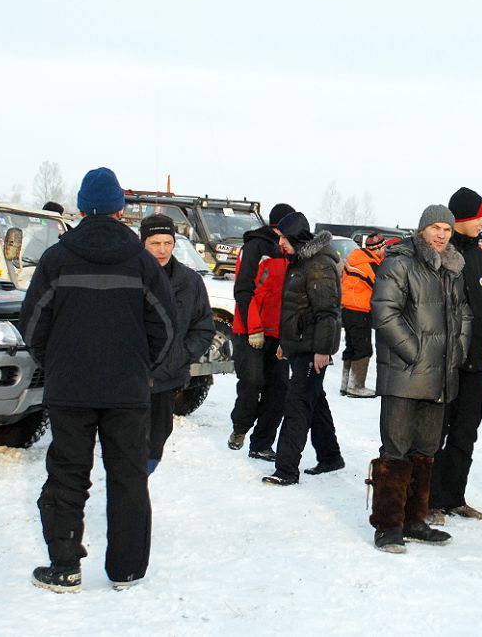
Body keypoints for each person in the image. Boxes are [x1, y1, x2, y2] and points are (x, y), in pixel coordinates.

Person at [19, 167, 176, 592]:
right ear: (120, 209)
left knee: (68, 473)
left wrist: (55, 363)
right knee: (128, 476)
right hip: (127, 390)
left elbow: (32, 323)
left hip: (70, 388)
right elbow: (165, 325)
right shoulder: (142, 261)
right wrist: (142, 366)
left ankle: (65, 566)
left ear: (82, 208)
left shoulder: (56, 258)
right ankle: (127, 570)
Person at [367, 205, 472, 552]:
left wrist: (456, 351)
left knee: (426, 450)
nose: (441, 234)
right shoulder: (400, 262)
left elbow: (463, 313)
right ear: (423, 229)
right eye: (435, 227)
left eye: (447, 229)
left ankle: (414, 519)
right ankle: (388, 526)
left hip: (439, 376)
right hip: (405, 373)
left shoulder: (452, 268)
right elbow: (384, 312)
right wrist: (415, 352)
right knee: (395, 449)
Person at [428, 187, 482, 521]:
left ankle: (454, 496)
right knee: (435, 433)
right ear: (461, 218)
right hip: (442, 364)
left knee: (466, 430)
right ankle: (428, 499)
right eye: (479, 216)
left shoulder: (480, 255)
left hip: (472, 362)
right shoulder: (441, 253)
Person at [262, 213, 345, 485]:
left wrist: (322, 350)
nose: (280, 244)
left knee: (297, 404)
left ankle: (286, 470)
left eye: (283, 239)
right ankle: (330, 456)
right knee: (314, 399)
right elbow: (295, 309)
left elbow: (327, 312)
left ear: (296, 238)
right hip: (301, 345)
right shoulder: (300, 261)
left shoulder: (318, 265)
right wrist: (285, 344)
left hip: (313, 348)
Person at [140, 214, 215, 475]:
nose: (162, 250)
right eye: (155, 243)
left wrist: (181, 356)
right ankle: (130, 490)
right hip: (131, 379)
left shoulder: (190, 281)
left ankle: (139, 483)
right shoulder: (128, 277)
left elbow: (203, 327)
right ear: (143, 243)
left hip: (167, 378)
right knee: (127, 447)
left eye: (168, 243)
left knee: (155, 443)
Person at [228, 203, 295, 460]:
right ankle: (240, 427)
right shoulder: (255, 247)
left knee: (278, 390)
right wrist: (253, 328)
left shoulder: (291, 251)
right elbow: (243, 291)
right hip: (250, 331)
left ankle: (262, 444)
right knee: (252, 382)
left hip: (279, 333)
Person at [340, 233, 387, 399]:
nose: (385, 250)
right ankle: (356, 386)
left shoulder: (356, 258)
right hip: (360, 310)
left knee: (352, 347)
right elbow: (380, 286)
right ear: (377, 248)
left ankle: (346, 384)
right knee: (363, 348)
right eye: (384, 247)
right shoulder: (369, 265)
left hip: (348, 308)